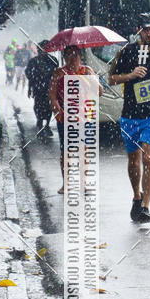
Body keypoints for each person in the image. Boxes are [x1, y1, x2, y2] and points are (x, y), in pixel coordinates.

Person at [107, 13, 150, 224]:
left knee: (148, 156)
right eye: (145, 29)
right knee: (133, 160)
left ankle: (146, 206)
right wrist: (131, 75)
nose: (149, 33)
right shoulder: (127, 51)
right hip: (131, 115)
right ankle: (136, 197)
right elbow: (111, 79)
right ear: (139, 30)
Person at [49, 44, 101, 195]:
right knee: (66, 151)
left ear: (80, 56)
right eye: (69, 55)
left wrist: (90, 79)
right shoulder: (59, 73)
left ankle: (85, 184)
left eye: (76, 55)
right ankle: (66, 184)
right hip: (66, 118)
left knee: (85, 150)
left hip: (86, 118)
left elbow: (99, 92)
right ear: (65, 57)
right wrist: (56, 107)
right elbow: (51, 95)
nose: (73, 58)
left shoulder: (87, 71)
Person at [25, 40, 57, 137]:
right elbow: (29, 75)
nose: (41, 51)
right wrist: (30, 88)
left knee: (49, 107)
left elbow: (56, 74)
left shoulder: (53, 61)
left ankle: (46, 124)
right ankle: (39, 122)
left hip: (49, 88)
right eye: (40, 49)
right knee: (38, 105)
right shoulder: (33, 61)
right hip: (38, 88)